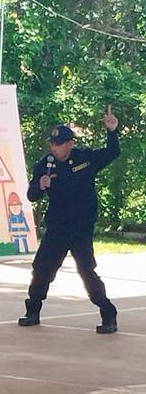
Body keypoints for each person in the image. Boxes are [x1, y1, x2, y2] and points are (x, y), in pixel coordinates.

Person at [18, 106, 121, 334]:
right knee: (41, 270)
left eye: (59, 144)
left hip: (81, 228)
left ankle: (108, 314)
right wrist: (39, 186)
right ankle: (32, 311)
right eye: (52, 144)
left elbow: (112, 153)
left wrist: (112, 131)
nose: (54, 148)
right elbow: (31, 195)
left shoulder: (85, 158)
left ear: (69, 143)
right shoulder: (43, 164)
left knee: (86, 271)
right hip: (57, 227)